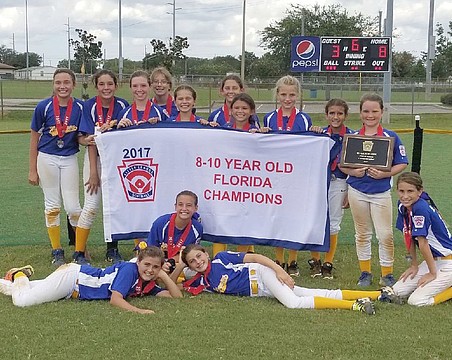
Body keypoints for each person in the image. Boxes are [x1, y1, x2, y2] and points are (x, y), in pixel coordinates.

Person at [173, 245, 400, 315]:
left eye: (199, 256)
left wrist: (279, 271)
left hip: (261, 274)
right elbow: (173, 286)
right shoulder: (201, 282)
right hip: (260, 290)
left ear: (205, 253)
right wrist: (180, 264)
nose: (198, 262)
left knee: (294, 303)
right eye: (192, 261)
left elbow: (256, 257)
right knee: (310, 293)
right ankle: (378, 294)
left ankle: (354, 305)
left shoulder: (221, 258)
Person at [339, 93, 408, 287]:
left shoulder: (390, 136)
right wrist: (355, 172)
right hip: (357, 190)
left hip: (380, 192)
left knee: (385, 234)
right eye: (366, 111)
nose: (370, 115)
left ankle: (387, 274)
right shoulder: (352, 137)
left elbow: (402, 162)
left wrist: (385, 174)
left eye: (374, 111)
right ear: (360, 113)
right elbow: (343, 165)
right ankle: (365, 272)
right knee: (362, 234)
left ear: (382, 112)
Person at [0, 246, 182, 312]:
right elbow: (115, 299)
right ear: (139, 262)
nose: (150, 270)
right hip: (73, 279)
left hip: (73, 285)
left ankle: (13, 279)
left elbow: (176, 297)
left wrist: (164, 275)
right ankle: (19, 274)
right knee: (23, 301)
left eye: (155, 267)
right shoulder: (130, 269)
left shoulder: (148, 282)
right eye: (147, 265)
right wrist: (140, 311)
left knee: (15, 290)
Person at [28, 68, 83, 266]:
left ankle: (80, 250)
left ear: (73, 85)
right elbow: (34, 139)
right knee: (52, 206)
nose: (62, 86)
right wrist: (32, 169)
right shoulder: (43, 106)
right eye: (58, 82)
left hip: (69, 158)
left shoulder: (80, 107)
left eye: (67, 82)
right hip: (47, 158)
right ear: (53, 84)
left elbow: (82, 134)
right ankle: (57, 251)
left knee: (73, 207)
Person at [74, 70, 129, 265]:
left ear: (116, 85)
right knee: (91, 206)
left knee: (114, 205)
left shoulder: (123, 105)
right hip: (95, 160)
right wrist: (94, 173)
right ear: (96, 86)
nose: (106, 88)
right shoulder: (89, 106)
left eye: (110, 84)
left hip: (116, 162)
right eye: (102, 84)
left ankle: (112, 250)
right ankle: (78, 252)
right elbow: (89, 140)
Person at [260, 75, 313, 277]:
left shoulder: (304, 119)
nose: (287, 99)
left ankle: (293, 261)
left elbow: (310, 146)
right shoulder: (269, 118)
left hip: (296, 176)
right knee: (278, 217)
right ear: (277, 94)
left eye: (291, 95)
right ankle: (279, 260)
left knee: (294, 217)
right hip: (276, 176)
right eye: (283, 94)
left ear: (297, 95)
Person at [308, 99, 354, 279]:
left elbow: (355, 165)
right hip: (318, 182)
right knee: (314, 219)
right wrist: (312, 133)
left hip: (339, 181)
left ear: (346, 115)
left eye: (340, 113)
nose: (336, 117)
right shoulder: (318, 134)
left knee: (334, 221)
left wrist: (350, 190)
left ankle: (328, 262)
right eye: (332, 113)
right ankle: (315, 260)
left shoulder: (352, 136)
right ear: (326, 115)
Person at [391, 172, 452, 306]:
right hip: (433, 260)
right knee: (397, 291)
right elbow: (408, 234)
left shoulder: (421, 208)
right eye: (401, 191)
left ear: (420, 191)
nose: (405, 196)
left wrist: (432, 273)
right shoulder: (403, 206)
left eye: (410, 191)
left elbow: (422, 243)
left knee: (416, 301)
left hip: (448, 262)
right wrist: (414, 265)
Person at [146, 191, 203, 274]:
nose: (184, 208)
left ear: (196, 208)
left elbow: (190, 255)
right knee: (135, 263)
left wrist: (171, 261)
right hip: (156, 260)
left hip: (180, 262)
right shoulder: (160, 223)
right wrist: (161, 264)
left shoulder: (197, 228)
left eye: (189, 205)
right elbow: (150, 251)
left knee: (196, 270)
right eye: (180, 205)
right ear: (175, 207)